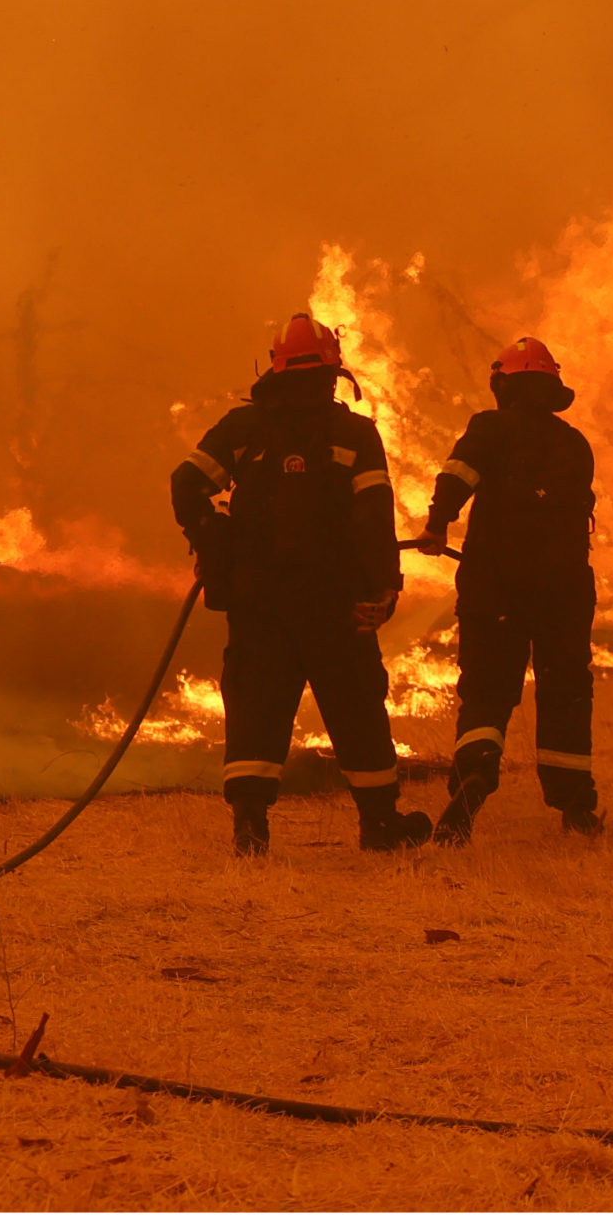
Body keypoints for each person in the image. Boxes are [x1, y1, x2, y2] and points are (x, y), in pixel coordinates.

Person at [170, 313, 432, 857]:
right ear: (334, 369)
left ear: (276, 368)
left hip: (259, 600)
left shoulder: (244, 430)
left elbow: (187, 483)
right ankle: (380, 823)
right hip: (336, 602)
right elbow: (372, 517)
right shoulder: (354, 434)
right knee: (357, 705)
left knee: (255, 705)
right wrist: (384, 587)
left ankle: (250, 828)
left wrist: (210, 533)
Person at [407, 336, 602, 841]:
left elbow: (458, 474)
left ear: (503, 385)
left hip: (496, 586)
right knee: (566, 692)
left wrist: (437, 525)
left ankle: (475, 772)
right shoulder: (574, 443)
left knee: (487, 690)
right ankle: (575, 804)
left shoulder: (489, 429)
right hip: (564, 591)